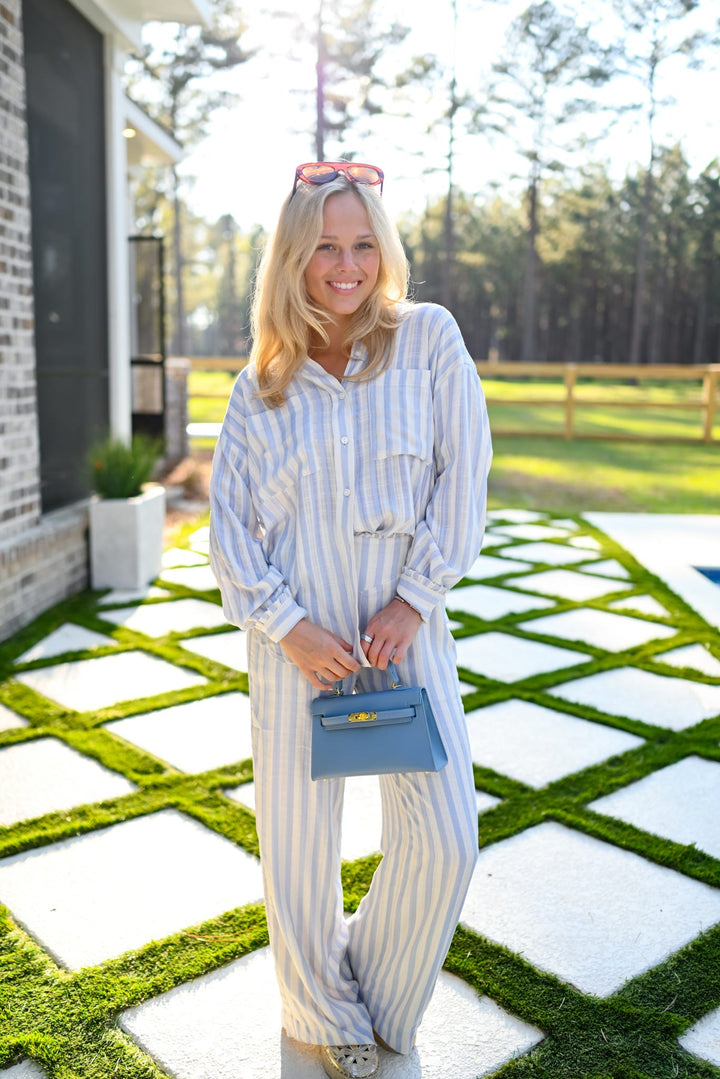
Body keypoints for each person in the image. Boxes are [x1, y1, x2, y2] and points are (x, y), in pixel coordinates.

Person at [209, 160, 492, 1079]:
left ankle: (371, 998)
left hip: (405, 630)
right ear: (294, 258)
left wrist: (415, 598)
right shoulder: (260, 387)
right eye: (326, 246)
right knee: (298, 852)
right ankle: (325, 1019)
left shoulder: (430, 339)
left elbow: (465, 475)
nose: (346, 265)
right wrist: (287, 627)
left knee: (447, 839)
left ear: (385, 251)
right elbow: (229, 531)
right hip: (297, 645)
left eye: (363, 244)